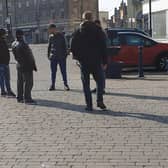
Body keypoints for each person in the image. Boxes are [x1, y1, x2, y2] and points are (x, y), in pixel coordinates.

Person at [71, 11, 107, 111]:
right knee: (100, 81)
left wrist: (77, 57)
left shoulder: (79, 30)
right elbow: (103, 46)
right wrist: (105, 61)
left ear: (83, 18)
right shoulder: (98, 30)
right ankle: (99, 100)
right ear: (92, 18)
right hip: (96, 60)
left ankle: (89, 104)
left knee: (86, 83)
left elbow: (72, 45)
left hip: (84, 61)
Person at [12, 29, 37, 104]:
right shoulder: (24, 44)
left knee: (20, 82)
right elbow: (29, 56)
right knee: (29, 82)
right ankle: (27, 98)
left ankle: (19, 97)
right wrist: (33, 65)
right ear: (22, 35)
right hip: (26, 65)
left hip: (19, 64)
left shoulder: (13, 43)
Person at [48, 24, 70, 91]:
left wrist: (65, 55)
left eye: (51, 29)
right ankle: (52, 85)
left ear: (54, 29)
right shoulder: (50, 37)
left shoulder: (61, 36)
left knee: (63, 71)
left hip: (61, 57)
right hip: (53, 57)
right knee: (53, 72)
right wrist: (48, 55)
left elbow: (65, 46)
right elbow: (49, 46)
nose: (50, 31)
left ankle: (66, 85)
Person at [92, 20, 107, 94]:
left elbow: (103, 47)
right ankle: (99, 87)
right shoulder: (99, 33)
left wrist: (105, 61)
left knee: (101, 74)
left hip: (100, 56)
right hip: (96, 56)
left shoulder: (101, 33)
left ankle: (102, 88)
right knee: (98, 74)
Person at [0, 28, 16, 97]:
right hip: (3, 63)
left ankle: (4, 91)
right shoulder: (1, 41)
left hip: (4, 62)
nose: (5, 35)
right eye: (4, 34)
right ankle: (7, 91)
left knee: (2, 78)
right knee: (5, 78)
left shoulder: (3, 41)